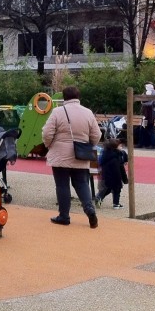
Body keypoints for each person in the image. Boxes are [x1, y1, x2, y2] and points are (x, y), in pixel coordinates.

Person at [42, 86, 102, 229]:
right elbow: (97, 135)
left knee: (62, 185)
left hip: (60, 154)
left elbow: (47, 133)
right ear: (78, 96)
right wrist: (88, 145)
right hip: (80, 154)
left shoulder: (58, 111)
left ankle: (64, 216)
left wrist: (49, 145)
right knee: (82, 184)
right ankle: (90, 211)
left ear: (64, 97)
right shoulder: (88, 113)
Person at [95, 139, 127, 209]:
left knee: (108, 189)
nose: (121, 147)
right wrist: (125, 179)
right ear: (115, 147)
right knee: (117, 189)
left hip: (107, 176)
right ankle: (116, 203)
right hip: (116, 176)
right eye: (120, 146)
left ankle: (99, 197)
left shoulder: (106, 154)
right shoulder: (117, 156)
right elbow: (121, 168)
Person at [140, 82, 155, 149]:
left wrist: (143, 103)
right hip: (145, 114)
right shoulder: (146, 92)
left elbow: (151, 103)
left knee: (150, 128)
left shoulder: (154, 93)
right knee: (143, 127)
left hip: (151, 114)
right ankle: (142, 144)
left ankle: (153, 145)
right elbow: (141, 98)